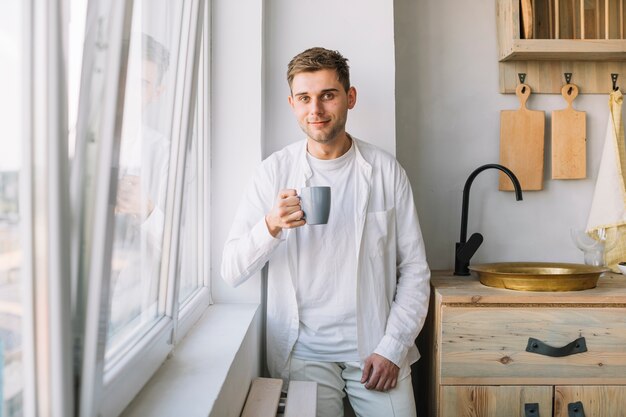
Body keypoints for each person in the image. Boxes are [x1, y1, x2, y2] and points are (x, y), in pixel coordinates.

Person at [221, 47, 430, 417]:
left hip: (375, 347)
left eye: (327, 95)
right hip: (303, 354)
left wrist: (392, 348)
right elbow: (232, 270)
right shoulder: (272, 172)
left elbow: (414, 270)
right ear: (292, 103)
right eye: (304, 98)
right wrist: (270, 226)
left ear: (350, 97)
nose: (315, 109)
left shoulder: (385, 170)